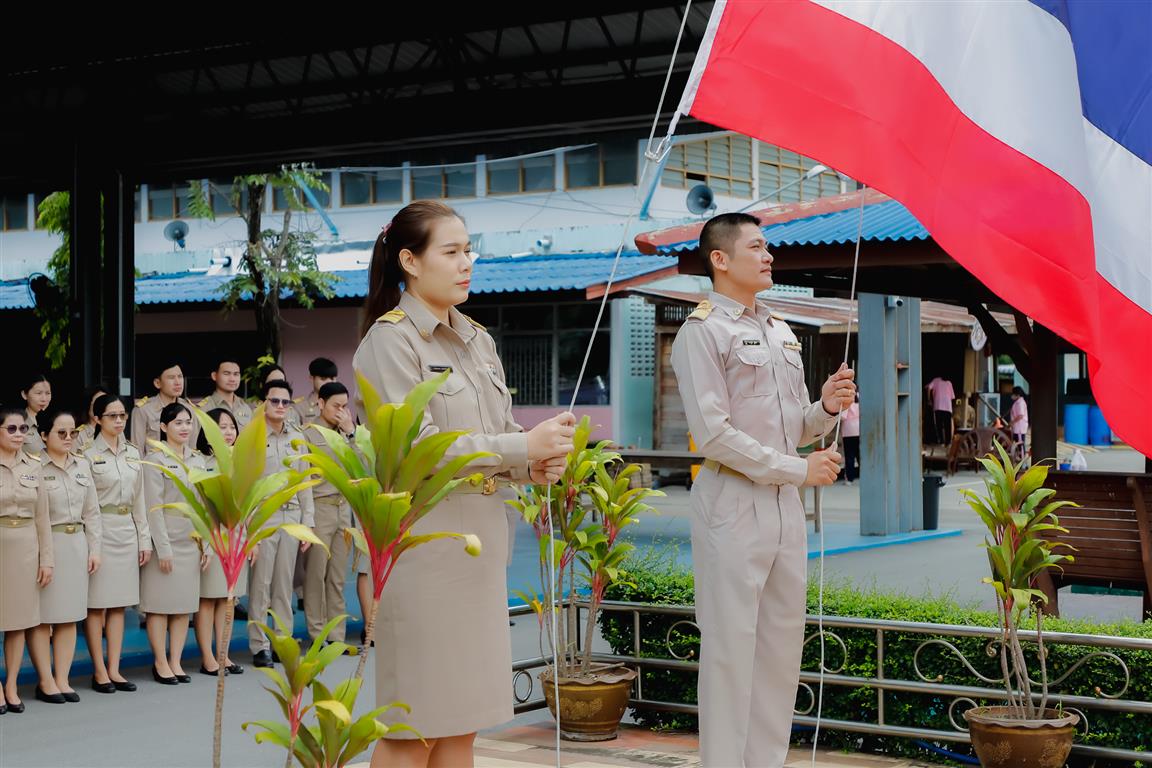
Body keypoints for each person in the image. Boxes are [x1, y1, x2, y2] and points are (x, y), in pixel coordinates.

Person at [354, 200, 573, 768]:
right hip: (426, 548)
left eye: (469, 250)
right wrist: (521, 448)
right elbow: (418, 450)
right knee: (414, 728)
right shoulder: (391, 341)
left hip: (480, 547)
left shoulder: (477, 338)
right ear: (409, 261)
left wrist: (533, 462)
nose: (466, 263)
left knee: (461, 725)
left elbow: (497, 434)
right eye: (450, 251)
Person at [669, 212, 855, 767]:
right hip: (731, 502)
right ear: (720, 259)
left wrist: (825, 407)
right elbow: (713, 434)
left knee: (780, 650)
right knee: (730, 654)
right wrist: (799, 470)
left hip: (782, 506)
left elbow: (793, 428)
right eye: (755, 247)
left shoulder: (779, 330)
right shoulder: (702, 332)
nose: (768, 255)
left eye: (767, 246)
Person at [28, 409, 102, 704]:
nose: (69, 437)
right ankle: (45, 681)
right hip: (47, 545)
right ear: (44, 435)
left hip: (77, 543)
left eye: (73, 432)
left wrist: (94, 548)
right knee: (44, 617)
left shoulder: (82, 464)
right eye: (61, 433)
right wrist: (43, 556)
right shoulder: (34, 466)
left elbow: (92, 512)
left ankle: (62, 678)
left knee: (70, 615)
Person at [83, 394, 151, 694]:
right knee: (97, 605)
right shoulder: (87, 455)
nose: (119, 420)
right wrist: (93, 545)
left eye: (122, 415)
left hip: (126, 530)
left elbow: (140, 501)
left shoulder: (133, 453)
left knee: (119, 605)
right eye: (112, 416)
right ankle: (99, 670)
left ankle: (114, 668)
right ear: (98, 419)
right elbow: (88, 506)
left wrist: (144, 539)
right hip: (100, 530)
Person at [248, 379, 316, 669]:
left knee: (284, 583)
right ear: (263, 402)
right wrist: (250, 526)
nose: (280, 406)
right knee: (260, 584)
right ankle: (259, 645)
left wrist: (307, 524)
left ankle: (282, 641)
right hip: (264, 516)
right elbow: (246, 485)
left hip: (292, 515)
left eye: (285, 402)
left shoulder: (297, 436)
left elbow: (304, 483)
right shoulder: (252, 437)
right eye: (274, 401)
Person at [140, 402, 205, 685]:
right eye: (178, 422)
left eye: (188, 422)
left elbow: (204, 506)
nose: (184, 427)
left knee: (182, 605)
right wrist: (163, 548)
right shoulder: (155, 459)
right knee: (159, 605)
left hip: (191, 539)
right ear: (163, 427)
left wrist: (206, 544)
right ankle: (160, 661)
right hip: (164, 539)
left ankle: (176, 661)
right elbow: (153, 507)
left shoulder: (198, 460)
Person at [0, 407, 53, 715]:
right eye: (11, 429)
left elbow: (43, 518)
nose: (19, 434)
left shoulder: (34, 465)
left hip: (26, 549)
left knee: (18, 622)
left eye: (23, 429)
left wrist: (47, 560)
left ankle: (11, 685)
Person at [194, 408, 250, 676]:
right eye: (221, 427)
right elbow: (201, 508)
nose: (228, 432)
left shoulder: (241, 462)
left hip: (236, 538)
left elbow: (248, 505)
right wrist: (205, 544)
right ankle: (207, 657)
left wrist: (251, 540)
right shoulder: (201, 463)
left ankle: (223, 654)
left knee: (227, 599)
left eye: (231, 427)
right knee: (208, 599)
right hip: (212, 535)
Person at [301, 381, 355, 646]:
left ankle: (337, 636)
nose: (341, 411)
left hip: (343, 508)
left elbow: (361, 466)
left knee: (337, 577)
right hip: (320, 507)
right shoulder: (307, 435)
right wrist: (307, 519)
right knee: (316, 575)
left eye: (345, 406)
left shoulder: (347, 433)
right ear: (320, 403)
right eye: (336, 406)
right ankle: (317, 633)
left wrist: (351, 433)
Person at [131, 361, 199, 451]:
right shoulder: (143, 410)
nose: (178, 382)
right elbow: (136, 450)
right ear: (157, 383)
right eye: (171, 378)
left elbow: (193, 447)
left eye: (180, 376)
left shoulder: (190, 409)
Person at [199, 358, 254, 430]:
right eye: (226, 374)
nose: (232, 379)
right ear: (214, 376)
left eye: (236, 374)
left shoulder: (245, 407)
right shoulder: (204, 408)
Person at [292, 357, 338, 428]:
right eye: (323, 378)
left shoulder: (340, 406)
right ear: (312, 378)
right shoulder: (299, 408)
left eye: (332, 378)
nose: (329, 382)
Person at [19, 374, 52, 456]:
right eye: (38, 393)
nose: (44, 399)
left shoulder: (55, 422)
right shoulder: (16, 425)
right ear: (24, 394)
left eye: (48, 393)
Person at [75, 383, 111, 454]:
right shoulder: (78, 435)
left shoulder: (116, 428)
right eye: (97, 403)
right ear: (88, 405)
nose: (101, 407)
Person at [926, 376, 956, 446]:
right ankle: (948, 442)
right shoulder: (949, 383)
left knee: (939, 425)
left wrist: (929, 399)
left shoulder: (935, 380)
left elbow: (929, 388)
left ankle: (941, 441)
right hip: (947, 407)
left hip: (938, 406)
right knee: (947, 425)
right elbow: (952, 397)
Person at [841, 392, 861, 485]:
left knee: (849, 455)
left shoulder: (846, 398)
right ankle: (864, 475)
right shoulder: (859, 397)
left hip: (848, 430)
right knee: (859, 454)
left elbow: (843, 416)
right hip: (859, 428)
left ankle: (849, 478)